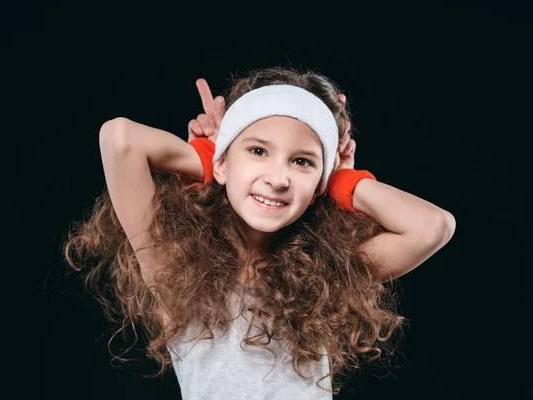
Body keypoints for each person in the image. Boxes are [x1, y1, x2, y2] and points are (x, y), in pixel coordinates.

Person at [63, 66, 456, 399]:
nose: (278, 178)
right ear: (223, 162)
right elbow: (120, 138)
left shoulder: (328, 275)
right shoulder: (171, 263)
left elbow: (432, 226)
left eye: (302, 161)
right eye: (257, 151)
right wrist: (209, 158)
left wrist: (341, 180)